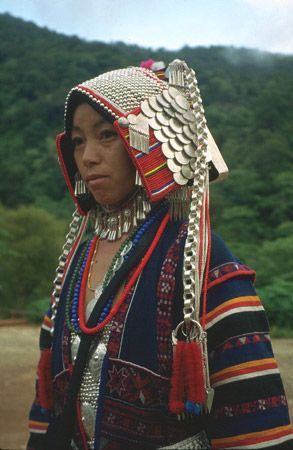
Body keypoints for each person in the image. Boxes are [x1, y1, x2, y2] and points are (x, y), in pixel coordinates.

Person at [27, 59, 293, 450]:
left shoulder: (202, 258)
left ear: (147, 140)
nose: (88, 157)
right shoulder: (75, 264)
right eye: (79, 140)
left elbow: (254, 422)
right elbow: (46, 406)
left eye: (106, 135)